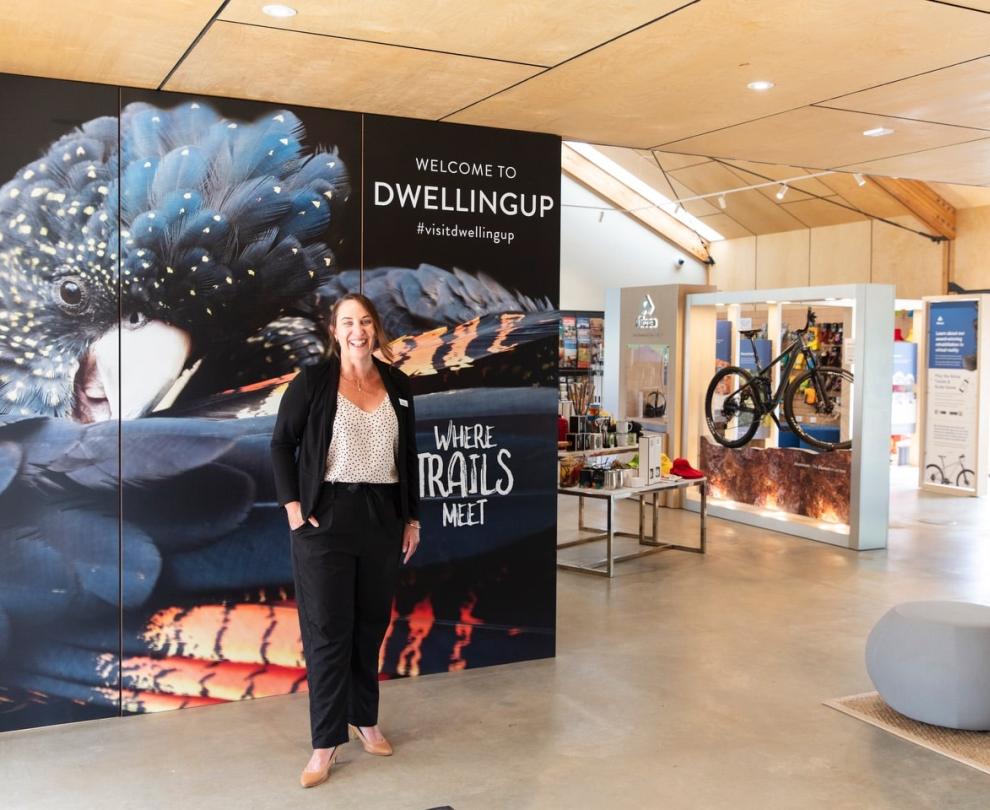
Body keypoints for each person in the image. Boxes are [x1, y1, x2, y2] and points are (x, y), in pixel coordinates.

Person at [270, 293, 421, 789]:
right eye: (347, 322)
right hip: (325, 517)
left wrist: (412, 519)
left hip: (382, 516)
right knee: (328, 631)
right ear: (334, 331)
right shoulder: (313, 382)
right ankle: (325, 742)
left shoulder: (397, 385)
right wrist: (293, 506)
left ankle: (365, 719)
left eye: (366, 321)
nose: (358, 330)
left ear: (376, 329)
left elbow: (410, 456)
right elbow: (280, 444)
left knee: (370, 625)